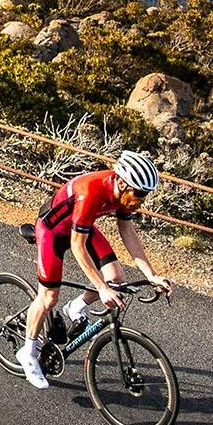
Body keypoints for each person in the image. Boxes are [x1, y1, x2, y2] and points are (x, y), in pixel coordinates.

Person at [15, 150, 170, 390]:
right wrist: (101, 287)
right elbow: (78, 247)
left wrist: (151, 274)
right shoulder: (91, 192)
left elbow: (127, 231)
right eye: (139, 193)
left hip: (81, 227)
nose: (142, 200)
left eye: (145, 195)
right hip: (53, 232)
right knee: (48, 298)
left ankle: (76, 306)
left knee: (116, 278)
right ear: (121, 182)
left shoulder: (125, 193)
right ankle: (28, 351)